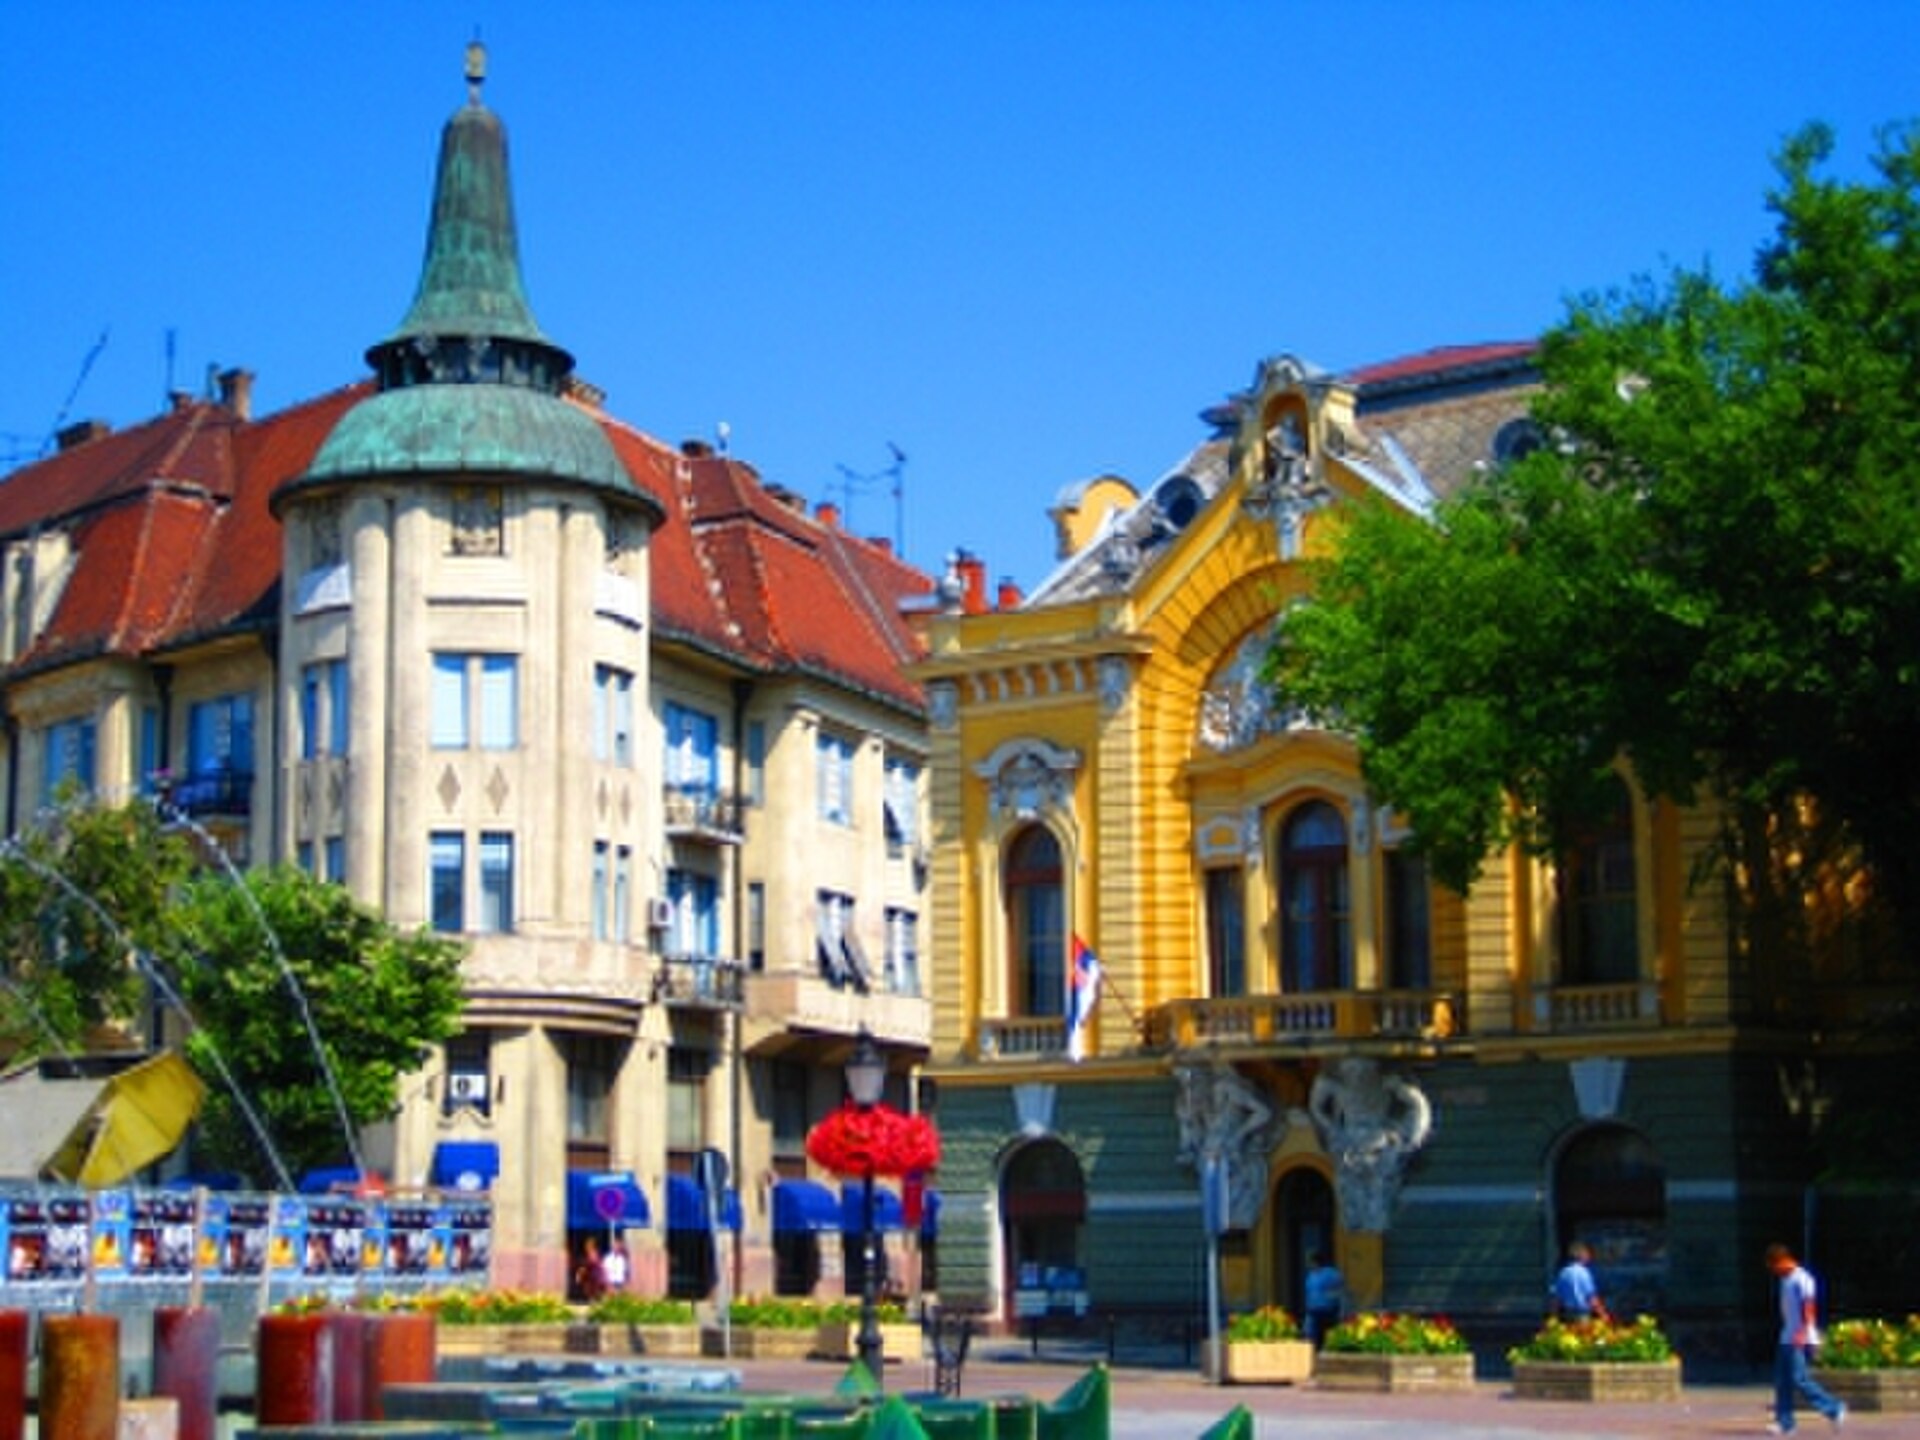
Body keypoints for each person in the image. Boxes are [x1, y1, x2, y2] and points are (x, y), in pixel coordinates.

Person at [1765, 1243, 1846, 1433]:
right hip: (1786, 1336)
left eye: (1774, 1266)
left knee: (1799, 1378)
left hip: (1799, 1337)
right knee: (1782, 1380)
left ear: (1782, 1261)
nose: (1774, 1271)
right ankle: (1785, 1422)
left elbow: (1809, 1306)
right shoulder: (1785, 1279)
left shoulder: (1802, 1279)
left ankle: (1834, 1408)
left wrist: (1803, 1331)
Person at [1552, 1241, 1607, 1322]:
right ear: (1581, 1255)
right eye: (1587, 1254)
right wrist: (1603, 1314)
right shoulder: (1584, 1273)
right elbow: (1591, 1298)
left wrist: (1553, 1317)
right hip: (1582, 1315)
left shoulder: (1563, 1273)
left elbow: (1556, 1299)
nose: (1589, 1257)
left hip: (1567, 1314)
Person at [1303, 1250, 1345, 1347]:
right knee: (1312, 1337)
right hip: (1315, 1312)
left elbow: (1339, 1292)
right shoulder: (1311, 1276)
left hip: (1326, 1311)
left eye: (1309, 1261)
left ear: (1315, 1261)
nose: (1307, 1264)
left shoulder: (1331, 1274)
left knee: (1324, 1339)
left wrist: (1334, 1304)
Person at [573, 1236, 607, 1302]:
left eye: (588, 1245)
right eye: (586, 1245)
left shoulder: (593, 1254)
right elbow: (586, 1266)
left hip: (596, 1280)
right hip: (594, 1279)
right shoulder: (592, 1254)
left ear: (592, 1246)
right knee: (594, 1297)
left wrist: (579, 1274)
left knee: (595, 1297)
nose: (586, 1247)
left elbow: (588, 1265)